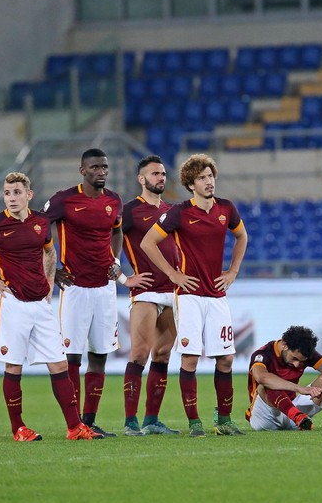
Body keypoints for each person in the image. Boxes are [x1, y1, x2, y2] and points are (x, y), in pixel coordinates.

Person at [0, 172, 93, 441]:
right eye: (7, 193)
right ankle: (18, 428)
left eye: (17, 192)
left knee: (59, 365)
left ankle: (74, 427)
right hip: (13, 304)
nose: (12, 198)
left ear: (29, 195)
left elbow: (50, 252)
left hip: (41, 305)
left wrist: (50, 284)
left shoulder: (40, 222)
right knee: (13, 366)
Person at [41, 148, 151, 438]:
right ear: (82, 171)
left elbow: (117, 232)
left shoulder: (113, 200)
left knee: (99, 354)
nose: (101, 171)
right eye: (95, 167)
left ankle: (89, 420)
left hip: (104, 289)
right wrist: (51, 270)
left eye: (104, 167)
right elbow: (39, 226)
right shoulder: (64, 199)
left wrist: (116, 263)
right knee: (72, 357)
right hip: (75, 288)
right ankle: (74, 422)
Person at [141, 153, 248, 437]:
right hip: (188, 296)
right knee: (190, 359)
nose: (208, 181)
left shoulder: (226, 208)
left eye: (210, 176)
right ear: (191, 184)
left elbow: (242, 237)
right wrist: (173, 275)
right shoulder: (179, 212)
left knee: (225, 359)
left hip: (217, 296)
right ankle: (194, 422)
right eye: (201, 178)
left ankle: (224, 420)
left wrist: (233, 271)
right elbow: (147, 242)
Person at [120, 155, 181, 435]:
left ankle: (151, 420)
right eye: (155, 173)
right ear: (141, 179)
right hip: (145, 291)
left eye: (163, 173)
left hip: (173, 291)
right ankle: (130, 421)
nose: (161, 177)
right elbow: (105, 241)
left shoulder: (172, 210)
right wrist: (122, 276)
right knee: (139, 354)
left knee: (163, 355)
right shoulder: (130, 211)